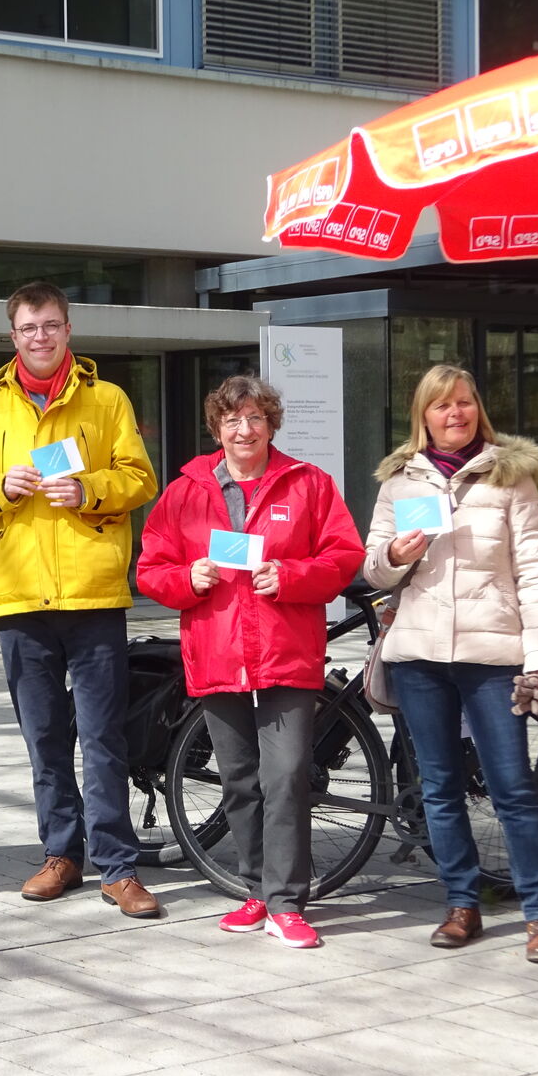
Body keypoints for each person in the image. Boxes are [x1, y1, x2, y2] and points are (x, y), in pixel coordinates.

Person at [0, 281, 160, 918]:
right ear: (12, 338)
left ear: (68, 331)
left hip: (92, 593)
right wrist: (0, 486)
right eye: (28, 328)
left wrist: (91, 489)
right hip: (18, 597)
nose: (40, 337)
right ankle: (60, 854)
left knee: (102, 738)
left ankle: (118, 867)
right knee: (43, 737)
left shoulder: (108, 400)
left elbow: (139, 477)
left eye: (50, 326)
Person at [136, 376, 363, 949]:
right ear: (218, 428)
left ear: (271, 425)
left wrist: (292, 577)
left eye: (256, 419)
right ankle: (256, 889)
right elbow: (150, 568)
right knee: (239, 781)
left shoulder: (308, 484)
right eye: (233, 420)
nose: (245, 429)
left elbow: (344, 555)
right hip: (217, 652)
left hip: (286, 652)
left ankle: (288, 902)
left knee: (285, 777)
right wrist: (188, 577)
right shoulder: (186, 490)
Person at [363, 364, 538, 964]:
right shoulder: (400, 481)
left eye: (465, 403)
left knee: (513, 789)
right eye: (442, 406)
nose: (456, 414)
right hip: (421, 656)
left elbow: (536, 572)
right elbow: (373, 567)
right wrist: (395, 555)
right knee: (440, 788)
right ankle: (461, 904)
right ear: (422, 416)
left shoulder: (512, 477)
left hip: (492, 656)